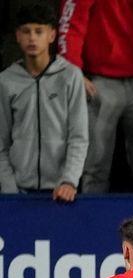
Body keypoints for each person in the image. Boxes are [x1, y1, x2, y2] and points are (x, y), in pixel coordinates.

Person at [57, 0, 133, 192]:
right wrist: (73, 71)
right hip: (100, 82)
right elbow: (71, 23)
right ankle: (92, 211)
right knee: (95, 166)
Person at [0, 2, 87, 202]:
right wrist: (8, 187)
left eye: (39, 31)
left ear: (52, 35)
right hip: (17, 192)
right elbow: (1, 142)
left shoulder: (70, 76)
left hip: (61, 193)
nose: (32, 38)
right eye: (26, 31)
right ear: (17, 36)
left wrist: (69, 181)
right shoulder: (5, 81)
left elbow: (79, 137)